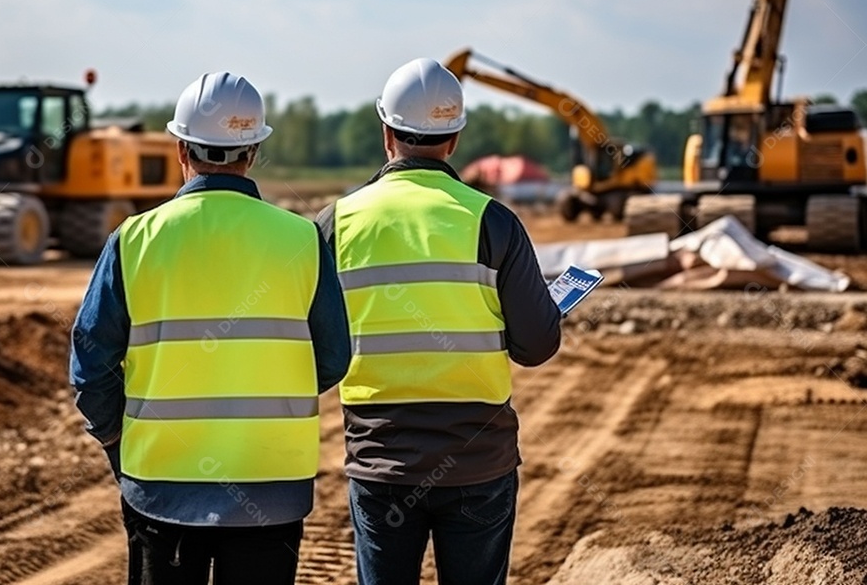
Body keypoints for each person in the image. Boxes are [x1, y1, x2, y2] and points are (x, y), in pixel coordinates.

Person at [70, 71, 352, 585]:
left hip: (159, 486)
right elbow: (333, 357)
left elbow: (91, 363)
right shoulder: (303, 239)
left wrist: (120, 441)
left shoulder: (134, 238)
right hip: (273, 487)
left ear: (181, 149)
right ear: (254, 152)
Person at [315, 58, 561, 585]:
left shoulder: (338, 223)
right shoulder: (493, 221)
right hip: (479, 462)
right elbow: (537, 345)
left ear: (386, 134)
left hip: (382, 462)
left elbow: (318, 349)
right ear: (454, 139)